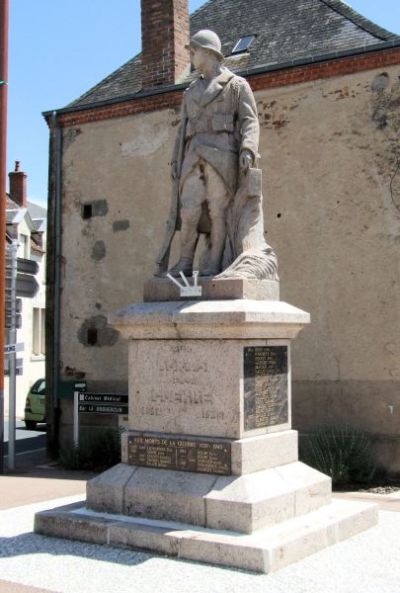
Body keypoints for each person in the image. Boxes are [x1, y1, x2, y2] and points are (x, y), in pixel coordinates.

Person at [160, 29, 260, 277]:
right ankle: (184, 262)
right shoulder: (190, 92)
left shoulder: (236, 85)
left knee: (219, 211)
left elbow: (250, 120)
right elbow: (182, 129)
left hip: (222, 153)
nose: (191, 57)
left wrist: (248, 147)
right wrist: (176, 158)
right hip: (193, 154)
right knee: (189, 210)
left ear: (208, 52)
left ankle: (215, 262)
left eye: (194, 52)